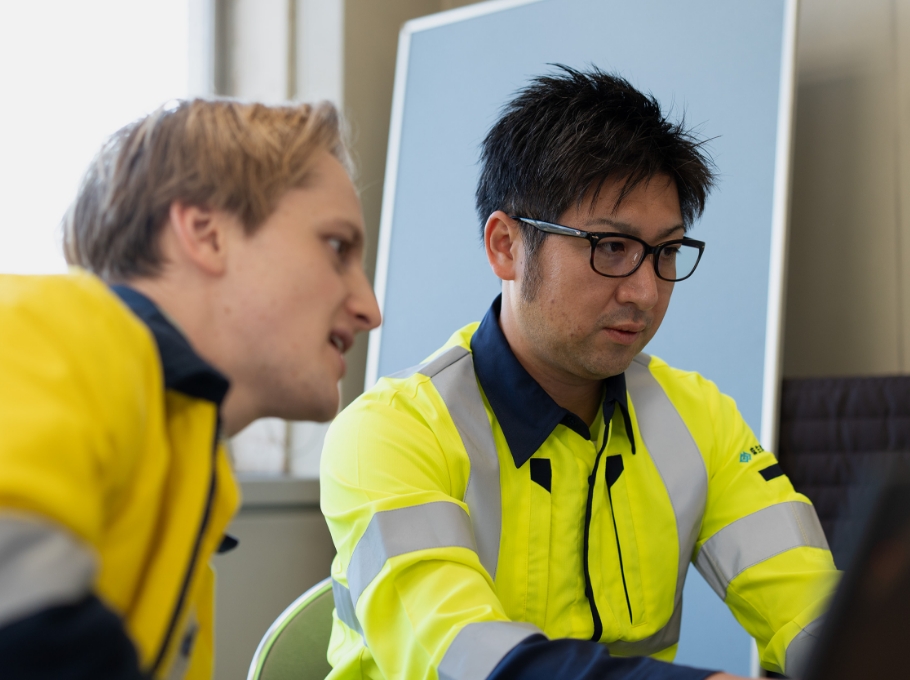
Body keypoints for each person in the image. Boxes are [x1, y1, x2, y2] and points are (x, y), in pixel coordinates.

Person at [320, 67, 838, 680]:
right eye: (611, 247)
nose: (645, 292)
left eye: (666, 252)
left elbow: (817, 616)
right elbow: (470, 661)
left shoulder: (700, 419)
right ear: (506, 246)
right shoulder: (391, 434)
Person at [0, 99, 380, 679]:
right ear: (206, 234)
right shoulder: (52, 329)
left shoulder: (194, 474)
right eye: (337, 247)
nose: (369, 309)